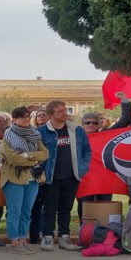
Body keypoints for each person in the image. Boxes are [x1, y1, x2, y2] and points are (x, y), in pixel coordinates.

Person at [38, 100, 91, 251]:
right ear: (50, 115)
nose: (64, 113)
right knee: (49, 208)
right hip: (50, 177)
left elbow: (87, 150)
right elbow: (36, 152)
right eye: (60, 111)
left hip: (72, 176)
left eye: (65, 110)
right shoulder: (42, 132)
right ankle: (47, 237)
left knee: (66, 208)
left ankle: (64, 238)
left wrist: (83, 168)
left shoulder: (77, 130)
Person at [0, 104, 50, 255]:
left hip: (33, 178)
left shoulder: (34, 133)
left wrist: (27, 156)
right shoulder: (8, 135)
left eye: (28, 117)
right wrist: (33, 159)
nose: (26, 119)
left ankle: (23, 239)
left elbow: (45, 154)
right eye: (22, 117)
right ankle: (14, 242)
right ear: (14, 119)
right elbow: (14, 159)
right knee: (15, 211)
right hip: (14, 178)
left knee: (27, 211)